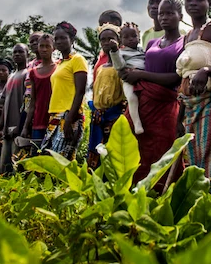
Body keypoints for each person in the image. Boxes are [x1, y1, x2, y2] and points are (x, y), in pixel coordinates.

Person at [122, 0, 185, 185]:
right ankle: (136, 195)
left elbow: (177, 77)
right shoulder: (152, 43)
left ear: (180, 16)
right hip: (144, 103)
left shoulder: (184, 43)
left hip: (165, 106)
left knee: (164, 151)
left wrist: (140, 75)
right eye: (161, 14)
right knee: (137, 150)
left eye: (169, 13)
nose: (164, 17)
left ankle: (164, 198)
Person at [176, 0, 211, 175]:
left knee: (210, 153)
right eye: (189, 0)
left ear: (209, 2)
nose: (194, 3)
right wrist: (179, 117)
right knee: (193, 157)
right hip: (189, 106)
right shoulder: (187, 36)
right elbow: (184, 77)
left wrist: (206, 71)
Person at [41, 22, 88, 160]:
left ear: (72, 40)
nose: (59, 41)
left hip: (69, 116)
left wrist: (69, 119)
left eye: (63, 38)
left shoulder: (78, 60)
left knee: (62, 162)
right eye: (56, 39)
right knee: (48, 160)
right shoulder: (60, 63)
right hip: (55, 115)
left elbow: (80, 92)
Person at [87, 24, 129, 168]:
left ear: (119, 41)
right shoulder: (100, 67)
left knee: (114, 153)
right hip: (99, 116)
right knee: (97, 154)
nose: (107, 43)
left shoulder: (122, 65)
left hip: (115, 115)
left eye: (110, 39)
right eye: (103, 40)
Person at [109, 22, 146, 134]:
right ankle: (137, 124)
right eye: (126, 37)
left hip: (144, 78)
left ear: (139, 37)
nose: (131, 39)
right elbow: (119, 66)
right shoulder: (120, 52)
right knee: (131, 98)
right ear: (121, 40)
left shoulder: (142, 51)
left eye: (134, 36)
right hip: (129, 81)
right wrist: (114, 51)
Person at [22, 34, 56, 154]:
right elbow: (33, 101)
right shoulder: (33, 73)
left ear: (54, 48)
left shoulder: (59, 68)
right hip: (38, 120)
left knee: (52, 158)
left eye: (48, 46)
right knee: (37, 157)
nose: (44, 49)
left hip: (54, 120)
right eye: (41, 46)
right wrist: (26, 126)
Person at [0, 44, 29, 173]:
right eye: (15, 52)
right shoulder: (11, 76)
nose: (17, 54)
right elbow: (5, 103)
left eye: (20, 52)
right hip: (7, 130)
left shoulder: (27, 73)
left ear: (27, 54)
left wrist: (21, 126)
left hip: (19, 128)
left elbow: (27, 103)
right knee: (4, 167)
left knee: (18, 168)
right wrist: (1, 126)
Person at [93, 10, 123, 83]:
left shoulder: (124, 54)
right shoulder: (102, 54)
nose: (102, 28)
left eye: (103, 24)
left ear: (116, 24)